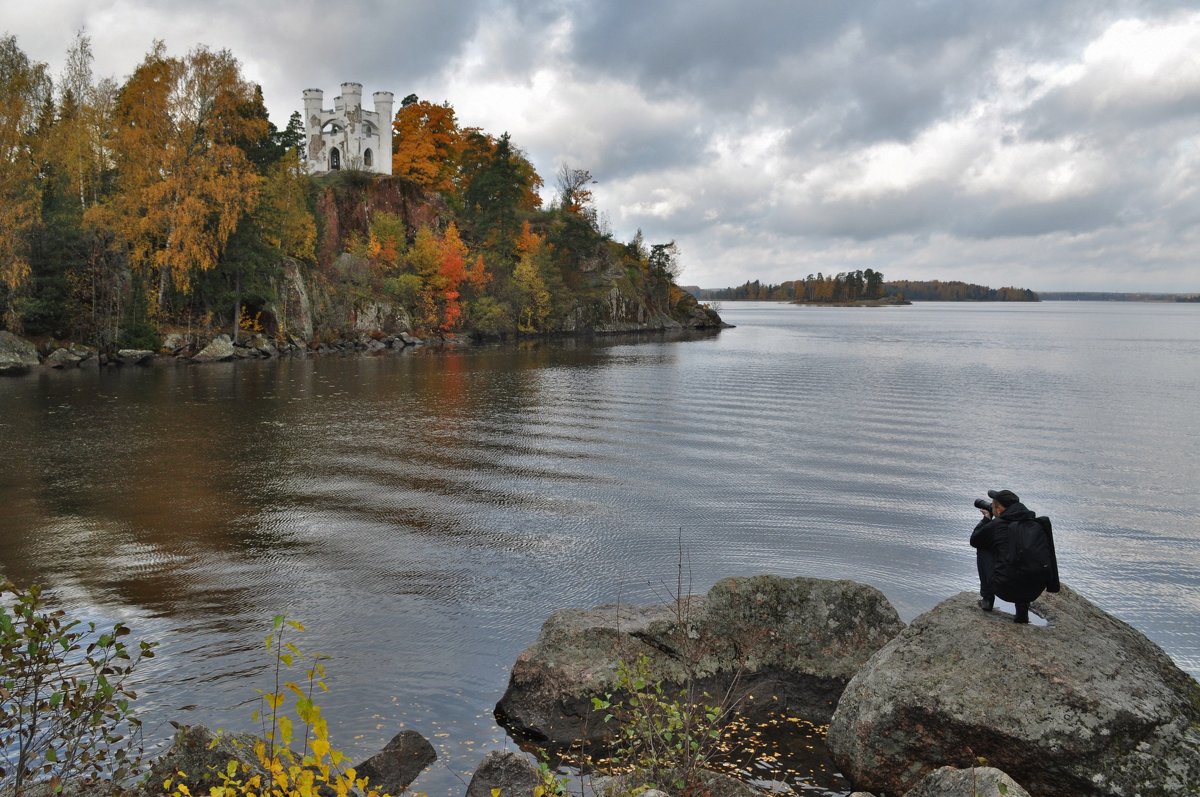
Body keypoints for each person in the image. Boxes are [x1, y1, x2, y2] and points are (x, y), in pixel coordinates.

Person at [970, 488, 1057, 624]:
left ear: (998, 510)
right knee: (1021, 560)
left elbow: (974, 540)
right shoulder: (1036, 524)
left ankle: (987, 599)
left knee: (983, 547)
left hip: (1006, 589)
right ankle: (1022, 611)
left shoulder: (997, 525)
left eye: (992, 506)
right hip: (1034, 590)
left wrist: (986, 520)